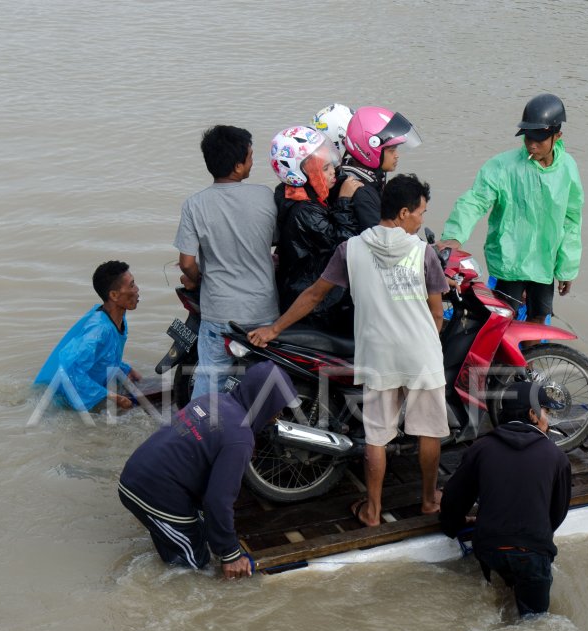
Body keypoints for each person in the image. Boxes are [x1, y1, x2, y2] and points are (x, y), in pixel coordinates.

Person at [248, 174, 448, 526]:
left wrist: (273, 329)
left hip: (377, 356)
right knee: (428, 430)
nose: (422, 220)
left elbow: (313, 295)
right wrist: (431, 340)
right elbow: (436, 312)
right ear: (403, 213)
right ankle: (430, 500)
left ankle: (371, 510)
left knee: (376, 436)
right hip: (421, 353)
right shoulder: (423, 252)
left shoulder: (350, 248)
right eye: (420, 212)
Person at [117, 361, 300, 578]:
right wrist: (231, 555)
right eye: (278, 406)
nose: (278, 413)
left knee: (198, 533)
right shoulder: (239, 438)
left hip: (137, 472)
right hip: (152, 493)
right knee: (195, 569)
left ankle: (167, 539)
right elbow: (217, 500)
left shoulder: (213, 399)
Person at [438, 93, 583, 324]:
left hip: (544, 263)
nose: (532, 145)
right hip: (510, 261)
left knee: (539, 316)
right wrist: (455, 236)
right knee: (501, 319)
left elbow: (571, 219)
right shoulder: (503, 167)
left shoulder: (568, 169)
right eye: (528, 138)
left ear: (558, 135)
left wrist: (567, 268)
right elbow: (475, 200)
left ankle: (531, 359)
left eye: (540, 139)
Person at [440, 381, 572, 617]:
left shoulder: (481, 448)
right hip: (532, 552)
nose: (548, 420)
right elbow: (558, 511)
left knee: (498, 602)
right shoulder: (556, 456)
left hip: (489, 548)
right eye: (546, 412)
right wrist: (537, 537)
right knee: (534, 621)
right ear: (532, 414)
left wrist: (454, 526)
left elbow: (454, 497)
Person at [175, 125, 278, 399]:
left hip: (220, 311)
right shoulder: (266, 196)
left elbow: (186, 263)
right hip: (263, 312)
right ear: (237, 166)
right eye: (250, 155)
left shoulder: (194, 205)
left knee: (209, 383)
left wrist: (197, 279)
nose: (253, 160)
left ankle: (198, 436)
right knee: (262, 384)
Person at [269, 125, 360, 335]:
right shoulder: (305, 211)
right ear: (304, 173)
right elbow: (346, 245)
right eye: (325, 169)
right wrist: (344, 201)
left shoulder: (294, 195)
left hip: (308, 295)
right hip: (315, 308)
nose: (333, 174)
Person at [33, 260, 141, 411]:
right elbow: (71, 371)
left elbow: (103, 356)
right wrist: (112, 397)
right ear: (114, 295)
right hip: (63, 401)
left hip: (91, 386)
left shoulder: (117, 318)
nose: (137, 289)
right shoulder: (99, 330)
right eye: (131, 285)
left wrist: (126, 369)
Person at [336, 106, 423, 232]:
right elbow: (383, 239)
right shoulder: (362, 193)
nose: (396, 155)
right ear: (370, 150)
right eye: (392, 150)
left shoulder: (369, 180)